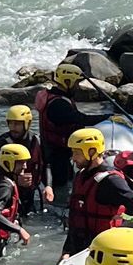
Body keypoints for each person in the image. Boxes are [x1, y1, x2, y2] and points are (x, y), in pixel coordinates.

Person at [59, 128, 133, 257]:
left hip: (104, 253)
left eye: (77, 153)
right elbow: (74, 219)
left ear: (92, 151)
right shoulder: (80, 176)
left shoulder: (111, 181)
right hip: (79, 250)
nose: (73, 158)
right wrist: (67, 250)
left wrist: (121, 232)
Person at [34, 62, 109, 201]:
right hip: (57, 156)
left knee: (68, 183)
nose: (77, 86)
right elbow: (81, 119)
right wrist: (108, 118)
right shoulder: (59, 104)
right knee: (62, 189)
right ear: (67, 81)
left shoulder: (52, 95)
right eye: (76, 83)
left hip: (54, 151)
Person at [0, 104, 52, 207]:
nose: (13, 127)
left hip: (30, 193)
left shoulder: (38, 141)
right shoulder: (1, 144)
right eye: (10, 123)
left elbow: (46, 165)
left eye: (17, 124)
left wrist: (48, 186)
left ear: (27, 123)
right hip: (7, 193)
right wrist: (16, 179)